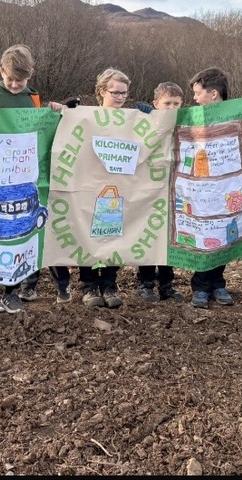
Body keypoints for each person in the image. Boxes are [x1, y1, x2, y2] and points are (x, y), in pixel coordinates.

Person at [0, 44, 70, 312]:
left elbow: (42, 131)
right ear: (0, 72)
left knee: (20, 232)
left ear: (31, 74)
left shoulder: (34, 99)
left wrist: (54, 111)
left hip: (24, 179)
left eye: (21, 80)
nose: (15, 85)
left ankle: (12, 289)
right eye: (10, 79)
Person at [76, 67, 136, 309]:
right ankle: (89, 286)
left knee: (113, 234)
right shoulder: (84, 117)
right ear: (102, 91)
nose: (120, 97)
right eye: (115, 92)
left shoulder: (135, 119)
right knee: (87, 234)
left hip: (118, 189)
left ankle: (110, 285)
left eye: (124, 93)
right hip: (89, 188)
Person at [186, 67, 240, 309]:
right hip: (199, 190)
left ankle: (218, 283)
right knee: (201, 234)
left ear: (214, 94)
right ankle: (199, 285)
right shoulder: (193, 116)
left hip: (227, 187)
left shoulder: (237, 113)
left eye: (198, 93)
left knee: (223, 233)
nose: (195, 99)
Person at [135, 81, 185, 303]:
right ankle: (145, 283)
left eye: (176, 103)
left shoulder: (184, 123)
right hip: (148, 188)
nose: (171, 108)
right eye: (167, 103)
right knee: (148, 234)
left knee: (168, 238)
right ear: (156, 104)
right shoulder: (145, 122)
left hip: (174, 189)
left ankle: (166, 283)